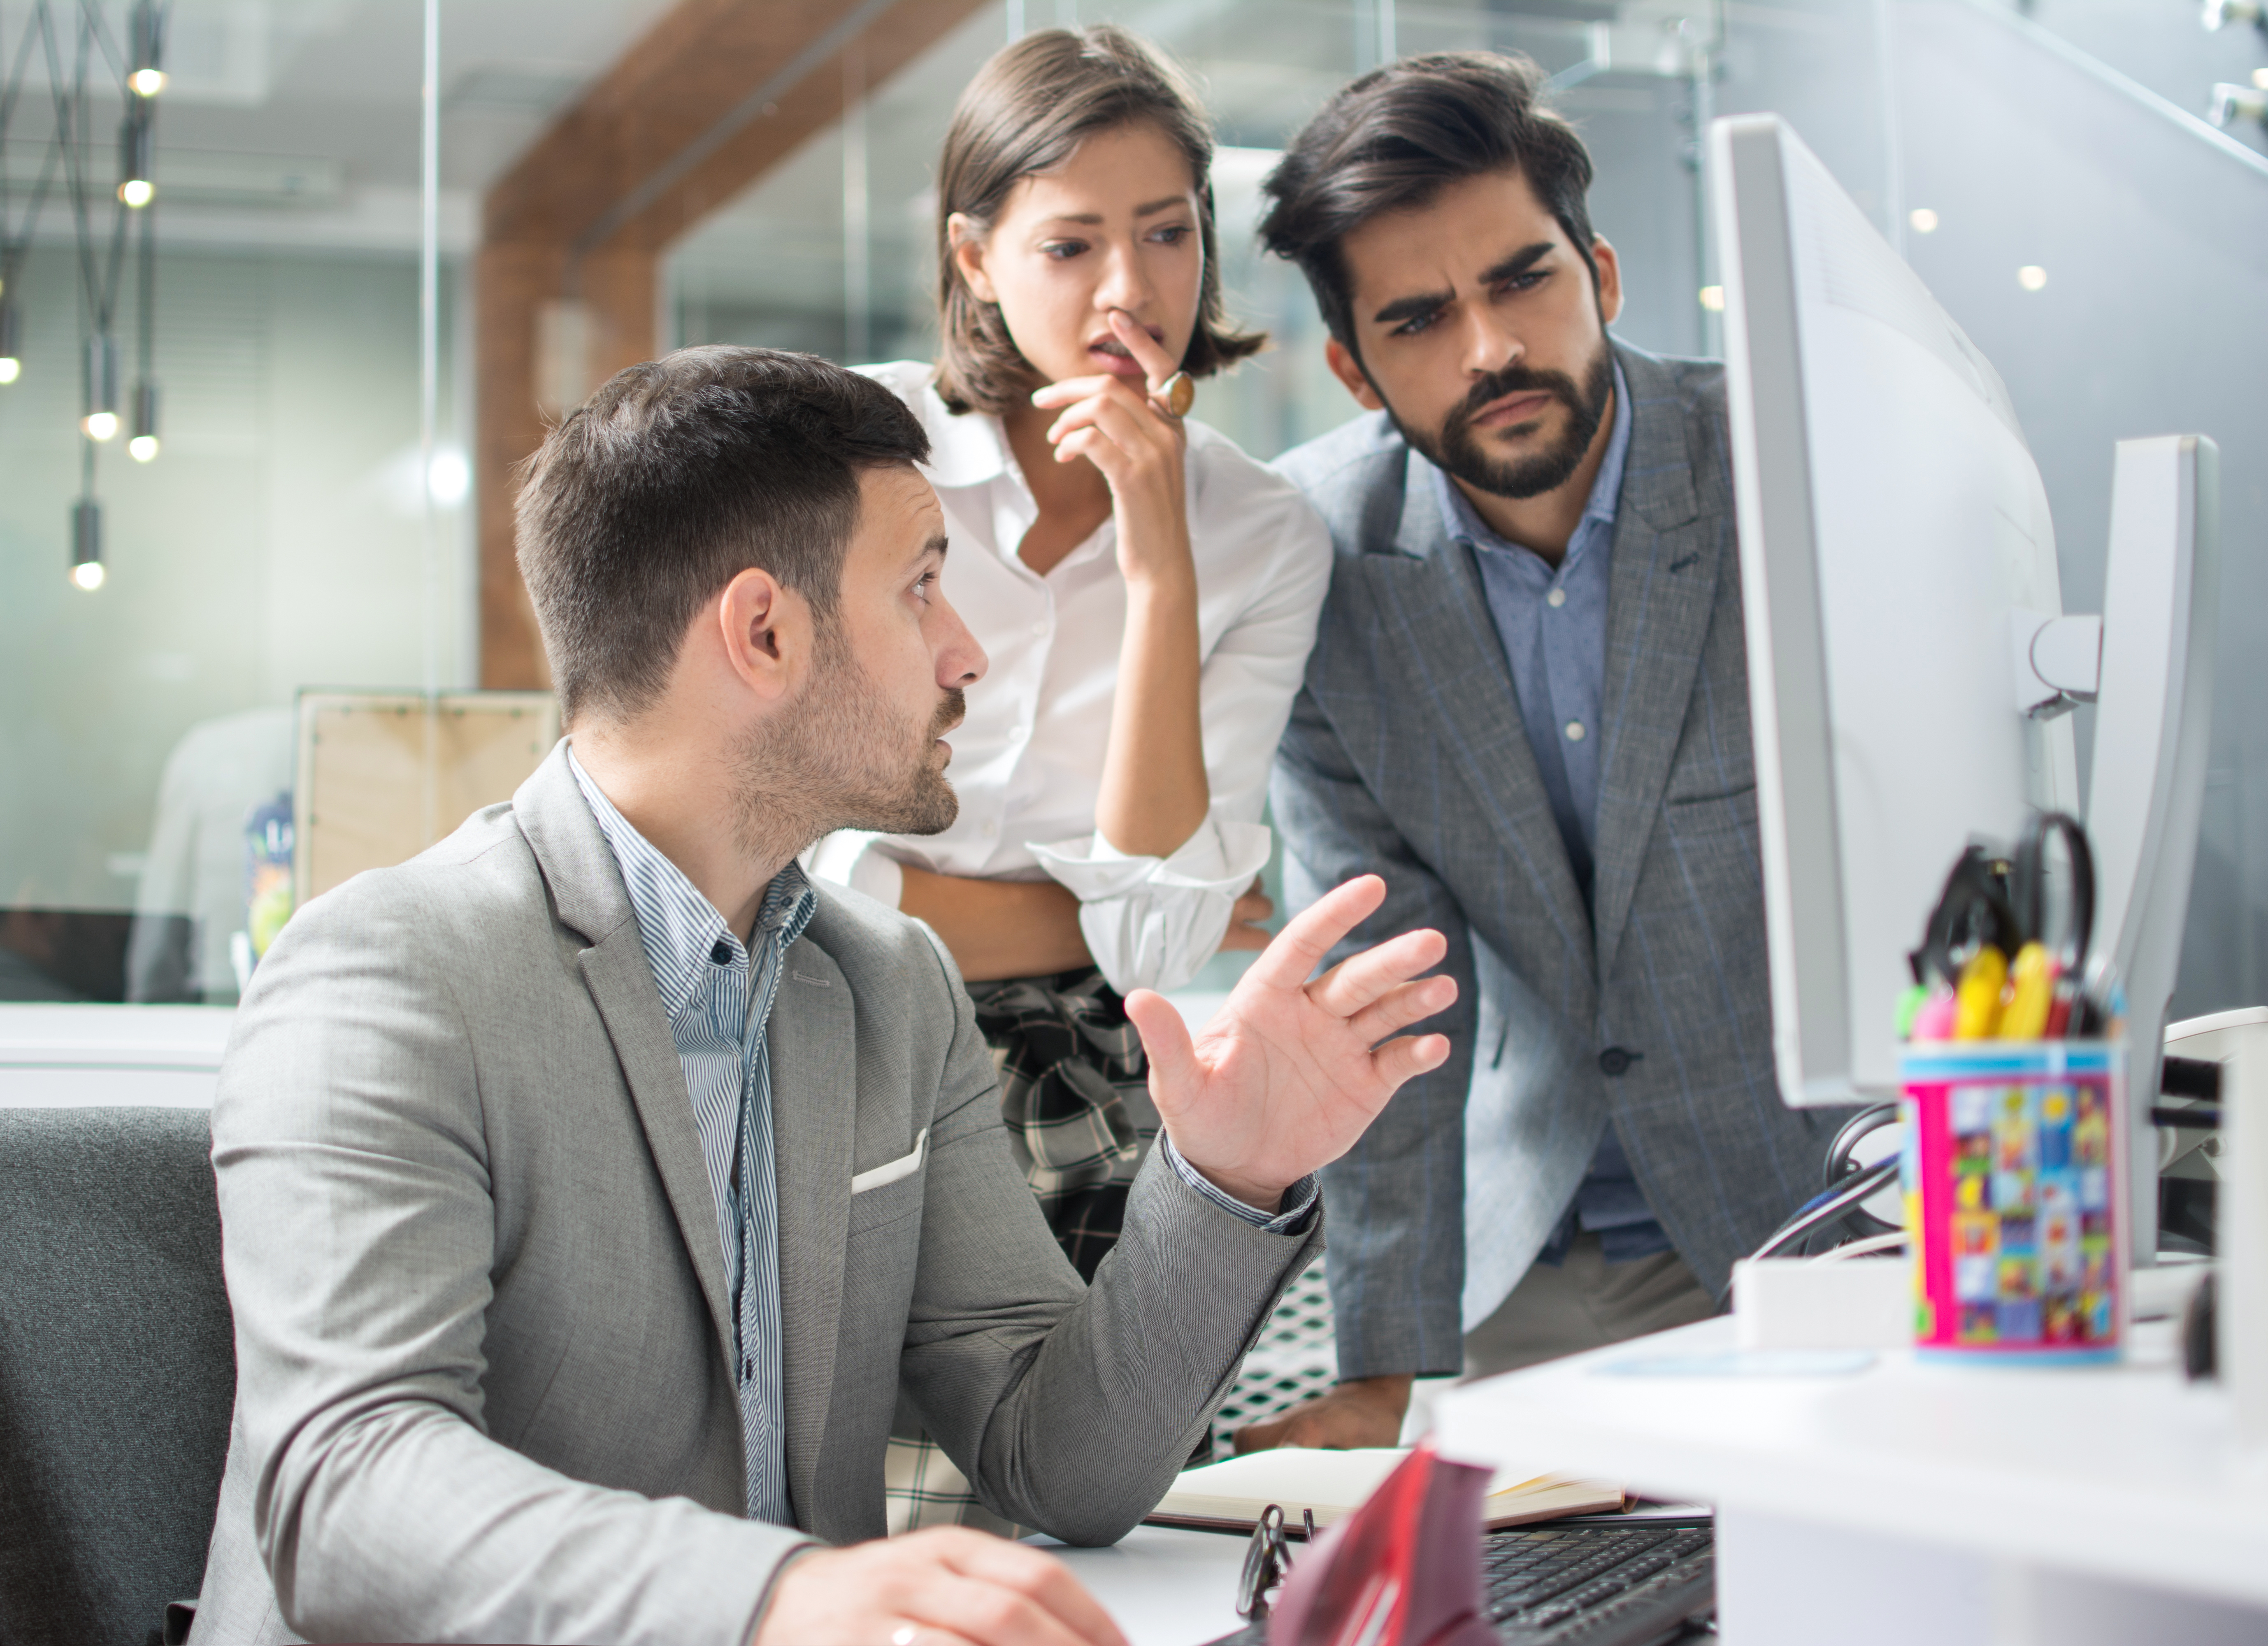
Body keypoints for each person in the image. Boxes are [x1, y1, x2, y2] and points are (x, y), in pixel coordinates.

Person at [187, 345, 1456, 1645]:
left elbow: (1061, 1466)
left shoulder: (889, 986)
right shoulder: (386, 976)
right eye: (923, 589)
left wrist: (1229, 1177)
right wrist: (777, 1593)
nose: (967, 654)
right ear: (766, 633)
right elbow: (343, 1493)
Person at [1236, 53, 1850, 1450]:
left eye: (1523, 281)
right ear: (1352, 367)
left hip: (1821, 1222)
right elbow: (1383, 983)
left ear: (1603, 274)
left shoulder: (1789, 472)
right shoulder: (1317, 564)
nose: (1489, 351)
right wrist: (1381, 1366)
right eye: (1418, 319)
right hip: (1532, 1256)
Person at [810, 26, 1333, 1527]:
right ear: (975, 257)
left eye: (1167, 233)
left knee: (1095, 1523)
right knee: (846, 1513)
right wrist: (1072, 911)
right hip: (833, 1033)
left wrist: (1159, 566)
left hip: (1094, 1087)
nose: (1129, 290)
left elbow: (1155, 946)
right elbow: (795, 864)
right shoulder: (858, 447)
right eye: (1071, 244)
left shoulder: (1262, 534)